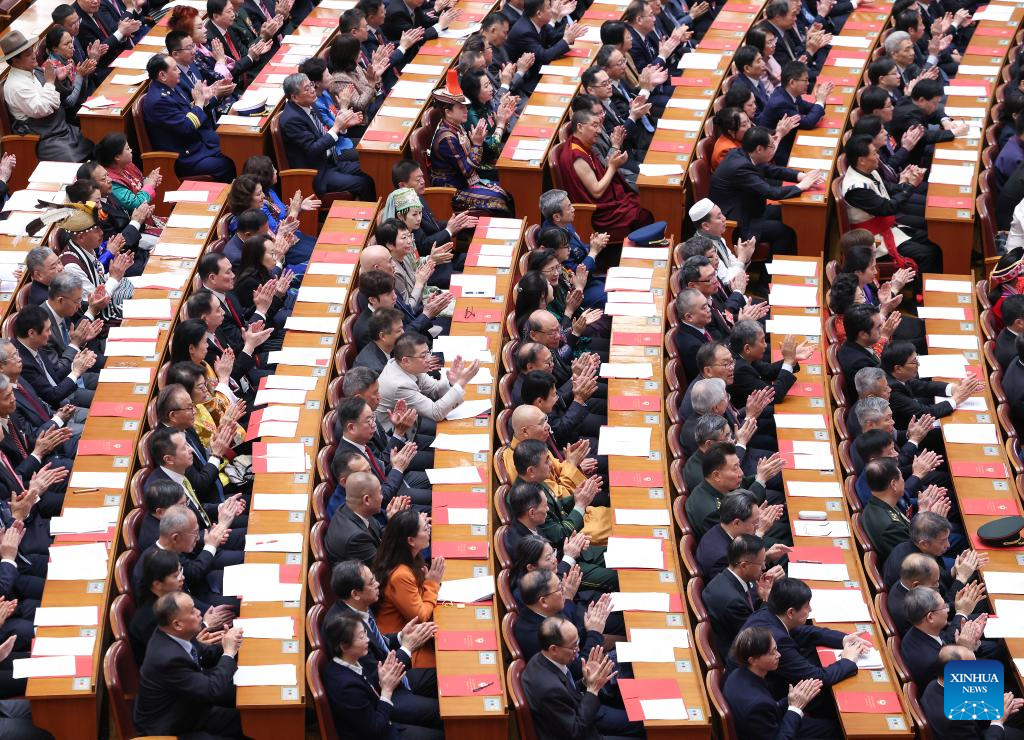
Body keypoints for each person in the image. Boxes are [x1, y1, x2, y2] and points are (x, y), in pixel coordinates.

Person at [324, 562, 441, 730]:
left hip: (395, 678)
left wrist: (401, 637)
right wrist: (408, 648)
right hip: (385, 693)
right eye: (371, 582)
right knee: (441, 711)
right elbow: (380, 677)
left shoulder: (360, 606)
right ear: (355, 593)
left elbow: (378, 643)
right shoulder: (347, 630)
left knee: (442, 677)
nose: (378, 584)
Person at [133, 592, 243, 738]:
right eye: (192, 611)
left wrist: (225, 644)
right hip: (169, 727)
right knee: (243, 722)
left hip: (189, 705)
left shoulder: (171, 633)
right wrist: (228, 652)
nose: (199, 612)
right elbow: (212, 691)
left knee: (245, 717)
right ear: (177, 624)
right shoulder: (168, 659)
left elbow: (199, 654)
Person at [739, 578, 869, 699]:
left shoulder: (769, 613)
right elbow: (817, 679)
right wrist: (847, 660)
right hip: (773, 695)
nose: (810, 609)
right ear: (791, 612)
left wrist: (843, 639)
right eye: (807, 606)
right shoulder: (778, 642)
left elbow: (807, 632)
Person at [319, 613, 442, 740]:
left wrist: (384, 676)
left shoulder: (352, 659)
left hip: (386, 721)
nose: (367, 639)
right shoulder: (346, 687)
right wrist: (387, 689)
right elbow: (375, 729)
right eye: (361, 636)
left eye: (365, 632)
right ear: (344, 646)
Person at [709, 126, 823, 254]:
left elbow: (771, 170)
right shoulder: (741, 167)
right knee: (784, 232)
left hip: (751, 209)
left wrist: (800, 176)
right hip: (738, 223)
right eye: (771, 146)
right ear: (759, 149)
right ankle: (772, 267)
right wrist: (801, 186)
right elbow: (771, 192)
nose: (774, 148)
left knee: (792, 212)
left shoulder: (743, 154)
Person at [840, 135, 941, 274]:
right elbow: (888, 208)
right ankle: (919, 288)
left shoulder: (869, 172)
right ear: (862, 160)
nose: (878, 157)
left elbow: (892, 189)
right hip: (874, 239)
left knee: (935, 240)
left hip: (889, 227)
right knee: (927, 254)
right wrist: (910, 186)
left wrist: (908, 181)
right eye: (874, 154)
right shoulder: (857, 189)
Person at [555, 108, 654, 239]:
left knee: (646, 200)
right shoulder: (576, 156)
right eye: (594, 126)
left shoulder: (584, 146)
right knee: (645, 215)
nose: (599, 131)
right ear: (579, 127)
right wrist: (613, 167)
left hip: (610, 202)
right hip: (598, 214)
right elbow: (596, 191)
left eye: (599, 126)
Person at [521, 617, 622, 740]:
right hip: (583, 732)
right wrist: (592, 690)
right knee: (641, 727)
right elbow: (575, 731)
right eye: (573, 646)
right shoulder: (550, 690)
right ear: (554, 649)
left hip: (583, 719)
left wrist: (586, 682)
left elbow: (568, 693)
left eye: (577, 642)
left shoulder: (541, 658)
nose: (578, 650)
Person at [278, 73, 375, 200]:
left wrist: (343, 126)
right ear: (295, 97)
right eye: (307, 89)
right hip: (317, 172)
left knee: (371, 171)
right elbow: (313, 149)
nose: (313, 90)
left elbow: (324, 134)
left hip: (332, 161)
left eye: (311, 85)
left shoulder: (310, 104)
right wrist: (336, 127)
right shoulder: (292, 120)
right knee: (364, 183)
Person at [141, 53, 235, 182]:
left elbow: (188, 111)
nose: (179, 71)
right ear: (162, 75)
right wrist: (199, 103)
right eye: (175, 69)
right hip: (186, 155)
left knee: (234, 148)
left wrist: (206, 99)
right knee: (228, 163)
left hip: (198, 142)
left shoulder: (172, 87)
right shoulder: (159, 101)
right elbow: (187, 126)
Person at [1, 31, 94, 161]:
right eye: (28, 54)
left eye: (32, 51)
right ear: (16, 61)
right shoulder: (15, 86)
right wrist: (50, 82)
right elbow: (43, 109)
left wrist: (58, 80)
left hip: (62, 128)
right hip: (44, 139)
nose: (34, 56)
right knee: (75, 162)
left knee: (94, 143)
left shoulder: (36, 70)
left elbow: (58, 101)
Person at [428, 74, 514, 215]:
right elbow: (467, 171)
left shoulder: (457, 125)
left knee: (509, 193)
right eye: (461, 108)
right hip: (452, 189)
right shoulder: (447, 138)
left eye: (465, 107)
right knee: (500, 200)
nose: (466, 111)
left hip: (466, 180)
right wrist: (477, 144)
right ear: (448, 112)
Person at [725, 626, 831, 739]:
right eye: (772, 652)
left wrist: (793, 697)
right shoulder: (756, 705)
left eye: (776, 648)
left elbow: (770, 708)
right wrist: (795, 708)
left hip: (770, 724)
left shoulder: (736, 675)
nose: (779, 655)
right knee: (833, 730)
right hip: (778, 731)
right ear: (753, 660)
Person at [372, 510, 444, 668]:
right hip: (403, 646)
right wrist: (432, 584)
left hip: (415, 633)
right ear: (411, 540)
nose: (429, 530)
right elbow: (421, 616)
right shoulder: (400, 575)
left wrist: (427, 584)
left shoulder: (407, 556)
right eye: (424, 528)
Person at [921, 645, 1024, 740]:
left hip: (972, 725)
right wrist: (997, 722)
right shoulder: (956, 719)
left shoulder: (935, 684)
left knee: (1021, 710)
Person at [702, 534, 779, 657]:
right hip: (739, 654)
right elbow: (756, 638)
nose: (764, 567)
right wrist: (765, 600)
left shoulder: (724, 578)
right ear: (743, 566)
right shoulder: (733, 602)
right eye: (761, 563)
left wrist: (761, 597)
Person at [377, 332, 479, 425]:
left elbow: (434, 389)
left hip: (414, 423)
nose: (429, 359)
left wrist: (452, 382)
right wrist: (461, 383)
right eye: (423, 356)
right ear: (406, 361)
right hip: (399, 436)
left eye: (428, 353)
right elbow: (436, 413)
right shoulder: (399, 386)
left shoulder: (406, 365)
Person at [900, 586, 984, 687]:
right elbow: (963, 683)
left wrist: (968, 641)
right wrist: (966, 649)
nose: (947, 610)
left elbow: (946, 640)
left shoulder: (919, 629)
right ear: (930, 617)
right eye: (944, 607)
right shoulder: (932, 660)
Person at [92, 134, 164, 243]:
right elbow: (135, 203)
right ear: (117, 156)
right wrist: (150, 185)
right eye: (127, 148)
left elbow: (140, 183)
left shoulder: (128, 165)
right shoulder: (112, 183)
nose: (131, 150)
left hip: (145, 218)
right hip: (132, 230)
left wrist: (150, 181)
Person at [506, 0, 587, 92]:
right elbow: (544, 56)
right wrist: (566, 39)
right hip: (529, 79)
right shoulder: (524, 32)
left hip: (541, 68)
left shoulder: (534, 18)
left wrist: (569, 33)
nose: (552, 10)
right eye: (549, 7)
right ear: (539, 14)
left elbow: (551, 36)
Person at [129, 548, 189, 664]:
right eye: (176, 576)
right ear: (157, 584)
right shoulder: (151, 620)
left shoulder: (169, 595)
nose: (182, 578)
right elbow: (174, 654)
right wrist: (205, 625)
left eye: (181, 571)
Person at [324, 471, 391, 566]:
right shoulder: (356, 538)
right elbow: (382, 567)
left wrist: (394, 521)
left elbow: (380, 530)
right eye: (380, 493)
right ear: (367, 500)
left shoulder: (352, 508)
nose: (382, 497)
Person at [43, 26, 97, 114]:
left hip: (81, 105)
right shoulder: (51, 69)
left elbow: (80, 92)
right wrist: (80, 75)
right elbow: (69, 102)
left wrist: (85, 73)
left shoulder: (68, 59)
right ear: (54, 48)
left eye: (71, 41)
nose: (72, 46)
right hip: (69, 115)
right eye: (66, 44)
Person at [354, 307, 403, 374]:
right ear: (383, 336)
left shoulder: (388, 347)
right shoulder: (377, 370)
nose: (403, 333)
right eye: (399, 331)